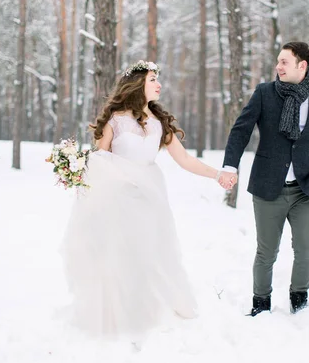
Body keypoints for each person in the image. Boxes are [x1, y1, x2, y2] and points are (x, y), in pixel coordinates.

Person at [61, 60, 229, 338]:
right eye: (153, 79)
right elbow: (98, 159)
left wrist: (216, 175)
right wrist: (79, 173)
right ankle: (119, 314)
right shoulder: (115, 119)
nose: (158, 84)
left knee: (150, 251)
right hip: (117, 197)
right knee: (120, 253)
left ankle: (148, 308)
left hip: (150, 195)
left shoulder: (160, 123)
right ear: (138, 84)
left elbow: (184, 159)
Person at [217, 42, 309, 316]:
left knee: (305, 249)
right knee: (266, 252)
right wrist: (230, 166)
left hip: (304, 190)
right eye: (278, 61)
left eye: (284, 61)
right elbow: (241, 131)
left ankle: (299, 300)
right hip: (267, 188)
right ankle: (260, 304)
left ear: (302, 66)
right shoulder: (265, 93)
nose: (278, 66)